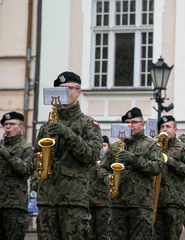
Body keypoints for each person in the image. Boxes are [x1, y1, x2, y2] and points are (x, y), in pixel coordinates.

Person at [34, 71, 103, 240]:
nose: (64, 92)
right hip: (47, 200)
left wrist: (67, 133)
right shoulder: (46, 126)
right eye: (60, 89)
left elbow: (92, 156)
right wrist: (37, 182)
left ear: (79, 92)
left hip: (73, 200)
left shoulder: (88, 123)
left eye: (69, 88)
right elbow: (35, 156)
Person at [98, 107, 165, 239]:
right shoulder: (115, 146)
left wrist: (132, 159)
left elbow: (157, 167)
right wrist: (108, 178)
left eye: (134, 122)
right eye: (127, 122)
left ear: (143, 124)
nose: (131, 126)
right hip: (117, 205)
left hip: (140, 206)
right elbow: (101, 168)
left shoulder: (151, 145)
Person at [154, 115, 185, 240]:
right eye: (162, 127)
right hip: (155, 202)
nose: (165, 129)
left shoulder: (183, 148)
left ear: (175, 130)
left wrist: (169, 161)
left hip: (174, 202)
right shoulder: (154, 148)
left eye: (168, 126)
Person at [0, 112, 34, 240]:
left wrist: (6, 155)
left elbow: (26, 170)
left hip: (14, 205)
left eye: (12, 124)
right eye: (6, 124)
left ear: (21, 127)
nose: (8, 127)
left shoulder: (26, 148)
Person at [88, 135, 111, 240]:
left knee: (104, 235)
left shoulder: (109, 162)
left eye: (104, 145)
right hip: (89, 202)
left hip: (104, 203)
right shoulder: (90, 160)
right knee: (90, 235)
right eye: (100, 146)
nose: (102, 148)